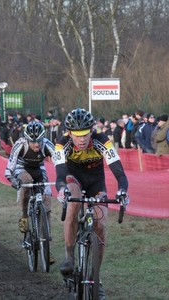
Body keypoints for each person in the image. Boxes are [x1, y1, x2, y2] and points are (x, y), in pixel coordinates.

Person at [54, 108, 129, 299]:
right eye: (77, 135)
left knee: (101, 223)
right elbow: (60, 173)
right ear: (69, 132)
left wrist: (122, 190)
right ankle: (69, 257)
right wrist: (62, 188)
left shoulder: (102, 140)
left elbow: (119, 172)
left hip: (96, 181)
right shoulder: (62, 144)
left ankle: (96, 277)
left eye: (85, 134)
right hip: (73, 177)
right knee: (73, 203)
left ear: (92, 130)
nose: (81, 139)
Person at [5, 121, 55, 264]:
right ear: (27, 139)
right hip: (21, 169)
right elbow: (8, 171)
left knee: (47, 203)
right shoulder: (20, 145)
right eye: (33, 142)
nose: (37, 145)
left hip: (39, 169)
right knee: (26, 180)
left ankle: (46, 248)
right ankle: (25, 216)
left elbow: (60, 162)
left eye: (39, 141)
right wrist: (16, 182)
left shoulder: (47, 144)